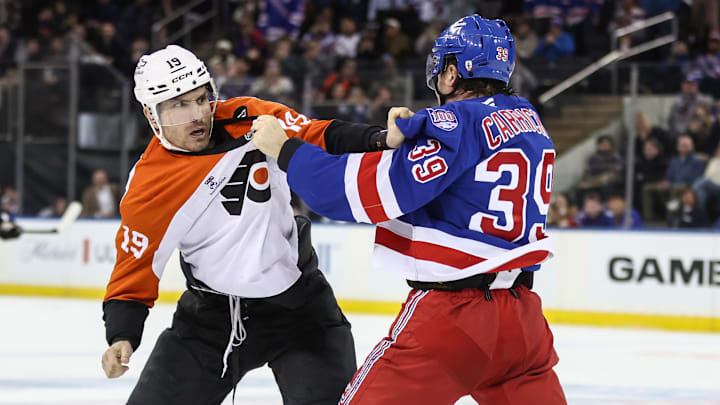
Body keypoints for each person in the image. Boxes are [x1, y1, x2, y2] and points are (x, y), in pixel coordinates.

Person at [253, 14, 566, 405]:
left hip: (454, 321)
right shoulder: (530, 120)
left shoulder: (453, 124)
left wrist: (287, 151)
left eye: (442, 65)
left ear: (452, 73)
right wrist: (412, 131)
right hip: (523, 325)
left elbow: (358, 192)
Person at [101, 45, 391, 405]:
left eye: (201, 98)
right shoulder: (149, 185)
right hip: (211, 323)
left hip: (302, 312)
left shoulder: (248, 117)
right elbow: (135, 268)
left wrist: (381, 138)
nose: (197, 115)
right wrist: (122, 334)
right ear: (151, 114)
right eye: (178, 105)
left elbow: (319, 135)